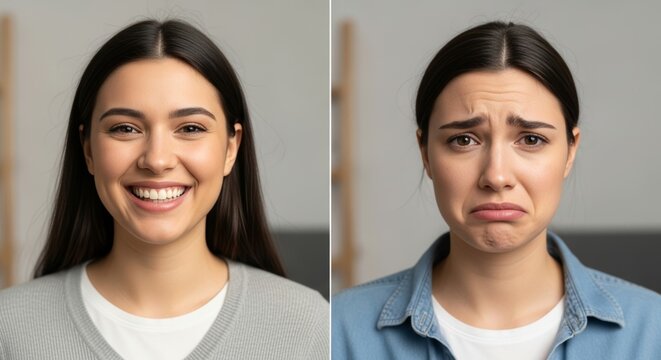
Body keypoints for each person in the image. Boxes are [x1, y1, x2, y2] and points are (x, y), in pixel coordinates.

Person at [0, 19, 327, 359]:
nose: (157, 160)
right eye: (125, 128)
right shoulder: (9, 330)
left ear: (231, 149)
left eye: (189, 127)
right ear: (88, 150)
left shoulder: (307, 328)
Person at [332, 21, 661, 359]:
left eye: (531, 140)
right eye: (463, 140)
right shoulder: (338, 331)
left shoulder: (652, 332)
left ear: (570, 152)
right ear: (425, 153)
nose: (497, 175)